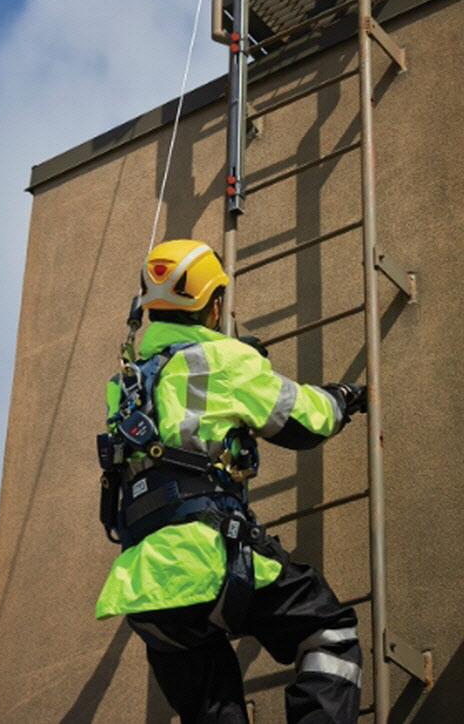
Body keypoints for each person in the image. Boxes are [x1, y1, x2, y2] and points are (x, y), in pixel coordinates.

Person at [96, 239, 366, 724]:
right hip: (212, 556)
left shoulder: (125, 384)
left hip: (146, 589)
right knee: (329, 635)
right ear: (214, 303)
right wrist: (343, 397)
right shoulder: (224, 362)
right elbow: (305, 422)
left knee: (213, 709)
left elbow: (180, 415)